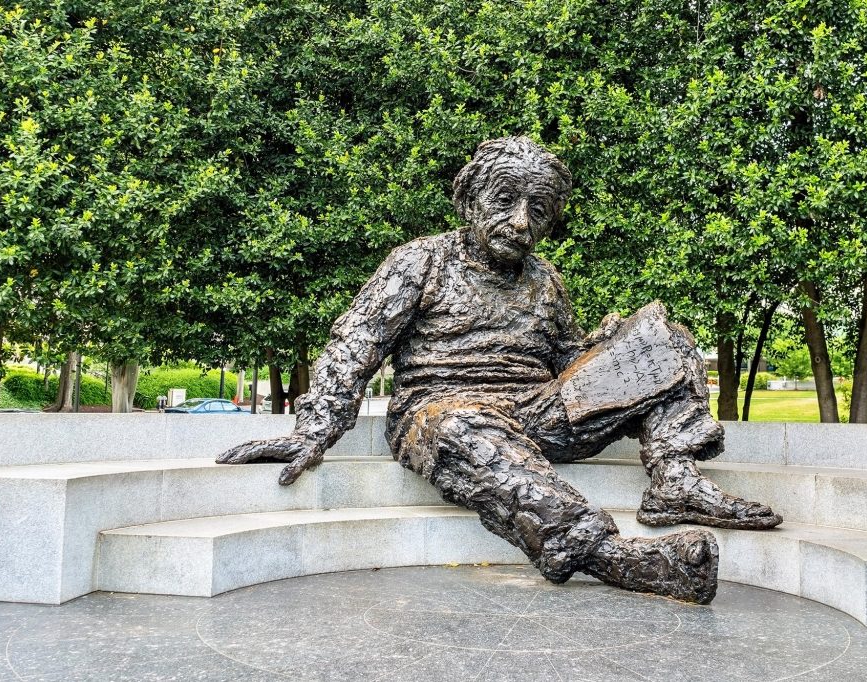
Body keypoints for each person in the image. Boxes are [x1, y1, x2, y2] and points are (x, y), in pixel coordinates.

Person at [218, 137, 781, 604]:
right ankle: (609, 555)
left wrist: (606, 349)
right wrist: (312, 430)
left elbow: (568, 366)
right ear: (470, 203)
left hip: (539, 411)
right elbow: (355, 343)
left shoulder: (546, 280)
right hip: (442, 412)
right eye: (506, 201)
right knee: (464, 430)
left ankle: (674, 479)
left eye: (537, 210)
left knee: (662, 342)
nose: (520, 221)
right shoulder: (421, 260)